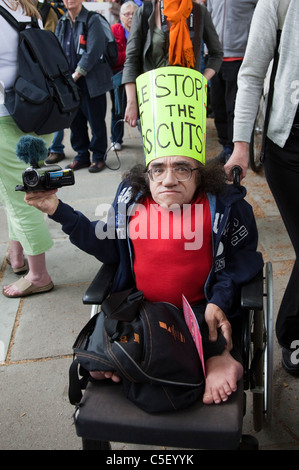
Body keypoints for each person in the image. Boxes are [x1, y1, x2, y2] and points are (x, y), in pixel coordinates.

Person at [24, 64, 263, 405]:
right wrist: (57, 209)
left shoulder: (222, 209)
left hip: (200, 310)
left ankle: (220, 357)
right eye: (159, 169)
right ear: (146, 175)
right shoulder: (132, 203)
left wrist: (218, 302)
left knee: (207, 334)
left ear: (201, 175)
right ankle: (141, 357)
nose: (168, 179)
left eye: (182, 167)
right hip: (143, 311)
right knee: (97, 358)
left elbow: (242, 262)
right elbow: (104, 244)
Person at [225, 0, 299, 376]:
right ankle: (292, 331)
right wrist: (240, 145)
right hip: (290, 149)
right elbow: (251, 73)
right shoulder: (279, 2)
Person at [0, 0, 54, 298]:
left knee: (21, 196)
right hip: (32, 112)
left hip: (6, 116)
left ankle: (38, 274)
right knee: (14, 188)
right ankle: (18, 255)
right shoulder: (26, 8)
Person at [122, 0, 223, 127]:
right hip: (153, 101)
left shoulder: (198, 12)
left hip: (187, 103)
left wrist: (200, 81)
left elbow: (217, 54)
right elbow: (131, 59)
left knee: (185, 145)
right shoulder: (145, 12)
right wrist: (131, 102)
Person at [56, 0, 113, 173]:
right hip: (70, 83)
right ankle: (81, 155)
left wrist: (77, 73)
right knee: (75, 121)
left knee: (96, 121)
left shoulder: (92, 19)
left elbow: (94, 50)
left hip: (91, 81)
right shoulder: (62, 22)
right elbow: (57, 49)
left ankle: (98, 156)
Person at [207, 0, 258, 163]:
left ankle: (235, 149)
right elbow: (209, 16)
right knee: (217, 106)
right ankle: (225, 147)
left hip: (239, 56)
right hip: (214, 58)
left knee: (234, 108)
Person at [109, 1, 138, 151]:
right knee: (117, 108)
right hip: (118, 74)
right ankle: (116, 138)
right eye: (127, 14)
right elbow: (113, 57)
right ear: (120, 16)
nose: (130, 17)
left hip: (138, 74)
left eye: (134, 14)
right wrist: (132, 56)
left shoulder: (142, 30)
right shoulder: (114, 30)